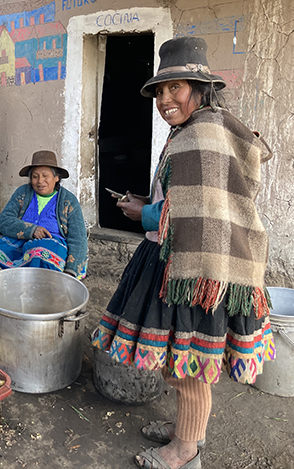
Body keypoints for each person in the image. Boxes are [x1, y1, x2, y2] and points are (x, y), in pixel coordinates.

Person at [91, 37, 274, 469]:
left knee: (186, 364)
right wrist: (151, 203)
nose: (165, 99)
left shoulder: (202, 134)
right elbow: (188, 202)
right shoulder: (198, 129)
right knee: (181, 356)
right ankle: (187, 430)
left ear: (200, 88)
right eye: (159, 91)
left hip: (193, 269)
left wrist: (145, 213)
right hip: (182, 261)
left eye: (176, 88)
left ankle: (185, 450)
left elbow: (193, 217)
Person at [0, 150, 88, 283]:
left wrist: (71, 271)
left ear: (56, 178)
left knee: (39, 254)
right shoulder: (23, 193)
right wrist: (32, 230)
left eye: (45, 176)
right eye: (35, 177)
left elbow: (78, 238)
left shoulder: (68, 201)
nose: (40, 181)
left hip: (52, 244)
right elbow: (5, 221)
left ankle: (36, 299)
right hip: (19, 241)